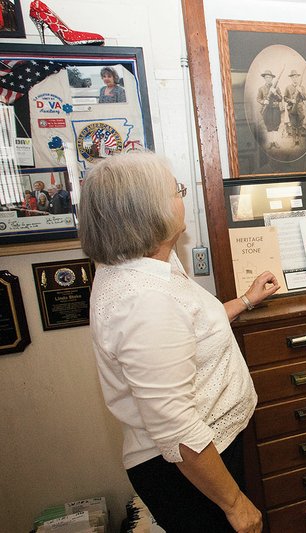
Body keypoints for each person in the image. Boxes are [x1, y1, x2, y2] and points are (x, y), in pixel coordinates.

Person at [79, 151, 281, 532]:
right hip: (189, 468)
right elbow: (176, 427)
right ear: (148, 211)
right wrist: (236, 505)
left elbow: (188, 329)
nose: (182, 198)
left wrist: (246, 301)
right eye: (177, 191)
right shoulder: (144, 301)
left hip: (208, 452)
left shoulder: (147, 263)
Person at [256, 69, 282, 149]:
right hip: (267, 109)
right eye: (266, 77)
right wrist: (264, 102)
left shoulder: (276, 88)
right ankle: (271, 142)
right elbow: (258, 98)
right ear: (264, 78)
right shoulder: (261, 89)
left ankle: (275, 141)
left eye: (269, 77)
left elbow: (281, 98)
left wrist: (275, 93)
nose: (268, 79)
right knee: (268, 125)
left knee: (276, 125)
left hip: (275, 108)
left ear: (272, 79)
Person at [283, 69, 306, 145]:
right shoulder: (288, 87)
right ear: (291, 78)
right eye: (293, 77)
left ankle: (299, 140)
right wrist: (291, 100)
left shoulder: (301, 87)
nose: (295, 78)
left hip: (300, 108)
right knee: (293, 125)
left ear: (298, 78)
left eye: (296, 77)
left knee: (300, 125)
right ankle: (293, 141)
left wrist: (300, 92)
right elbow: (285, 98)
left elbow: (305, 98)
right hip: (291, 108)